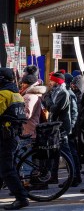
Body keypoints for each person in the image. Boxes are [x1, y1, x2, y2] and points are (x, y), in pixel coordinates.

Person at [43, 72, 81, 186]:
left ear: (57, 82)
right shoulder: (56, 92)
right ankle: (53, 176)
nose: (50, 82)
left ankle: (73, 176)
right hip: (55, 126)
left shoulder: (63, 93)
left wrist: (47, 99)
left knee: (66, 152)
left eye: (52, 80)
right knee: (55, 152)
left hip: (62, 128)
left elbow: (54, 109)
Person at [0, 68, 29, 210]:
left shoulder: (4, 94)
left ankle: (21, 198)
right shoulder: (16, 94)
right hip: (13, 134)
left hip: (5, 135)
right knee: (3, 166)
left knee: (7, 168)